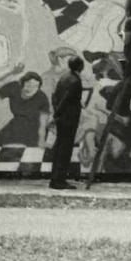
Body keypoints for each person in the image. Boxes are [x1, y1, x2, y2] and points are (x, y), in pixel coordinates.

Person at [0, 71, 51, 147]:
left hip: (34, 129)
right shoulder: (14, 87)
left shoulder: (42, 98)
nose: (31, 88)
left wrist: (41, 140)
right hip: (16, 124)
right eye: (28, 84)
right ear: (22, 84)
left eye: (35, 86)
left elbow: (43, 124)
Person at [49, 55, 84, 190]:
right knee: (65, 150)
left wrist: (56, 113)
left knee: (59, 149)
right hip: (69, 119)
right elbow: (66, 99)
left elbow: (55, 96)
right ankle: (60, 181)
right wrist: (58, 113)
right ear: (80, 67)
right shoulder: (75, 80)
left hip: (62, 118)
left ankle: (55, 179)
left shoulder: (64, 78)